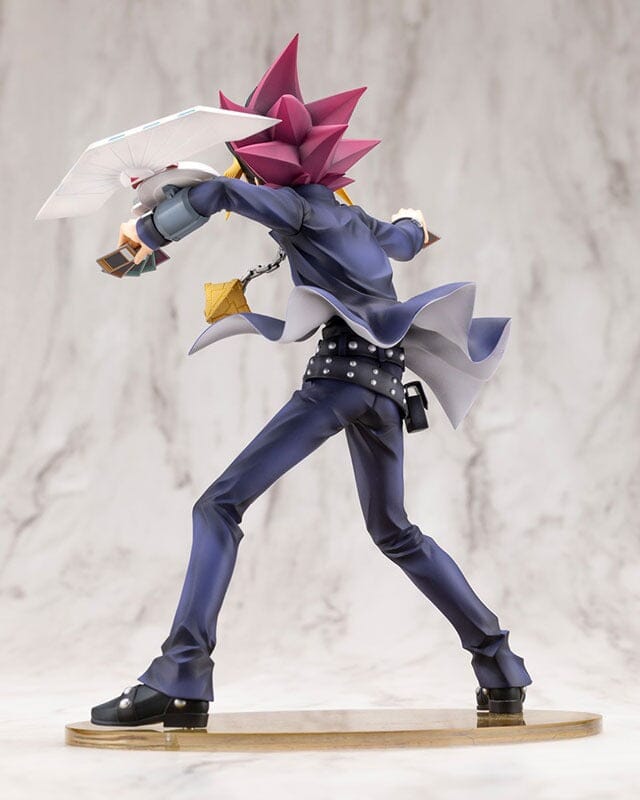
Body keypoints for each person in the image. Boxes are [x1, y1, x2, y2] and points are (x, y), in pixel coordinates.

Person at [91, 36, 531, 728]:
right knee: (395, 530)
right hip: (385, 389)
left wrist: (150, 227)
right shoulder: (354, 217)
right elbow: (405, 237)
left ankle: (181, 675)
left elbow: (218, 193)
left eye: (252, 164)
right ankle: (500, 665)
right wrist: (414, 223)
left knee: (218, 506)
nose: (248, 176)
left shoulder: (297, 209)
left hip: (338, 383)